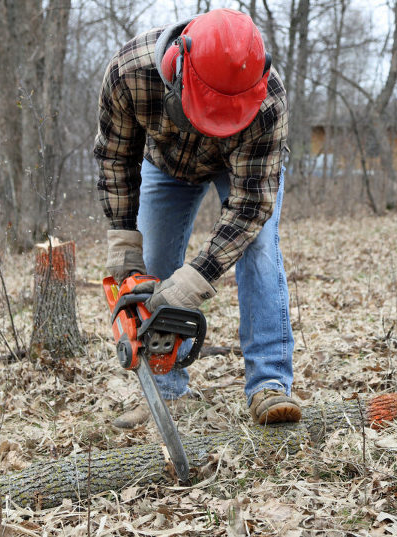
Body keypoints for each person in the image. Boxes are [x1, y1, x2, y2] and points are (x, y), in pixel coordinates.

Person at [94, 8, 300, 428]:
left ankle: (269, 385)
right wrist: (122, 238)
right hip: (165, 164)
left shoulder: (269, 100)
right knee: (150, 257)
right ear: (177, 67)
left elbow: (250, 209)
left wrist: (195, 280)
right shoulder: (131, 73)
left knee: (259, 246)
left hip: (241, 171)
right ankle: (167, 392)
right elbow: (116, 158)